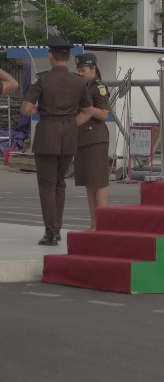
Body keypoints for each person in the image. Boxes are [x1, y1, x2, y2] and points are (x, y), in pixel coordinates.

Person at [21, 37, 92, 245]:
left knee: (47, 185)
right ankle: (57, 228)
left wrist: (40, 110)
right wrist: (70, 123)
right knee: (60, 183)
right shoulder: (79, 81)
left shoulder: (42, 80)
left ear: (50, 56)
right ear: (69, 57)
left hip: (47, 134)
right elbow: (87, 111)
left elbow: (25, 109)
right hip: (69, 134)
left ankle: (51, 231)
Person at [74, 52, 112, 228]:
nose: (80, 74)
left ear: (93, 69)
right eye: (79, 70)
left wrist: (89, 110)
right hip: (83, 139)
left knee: (98, 182)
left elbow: (104, 114)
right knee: (89, 183)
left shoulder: (99, 87)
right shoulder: (85, 87)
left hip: (96, 139)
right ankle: (94, 224)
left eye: (83, 70)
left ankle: (103, 224)